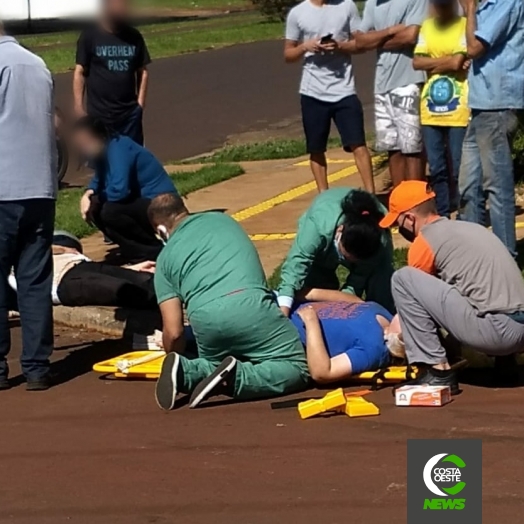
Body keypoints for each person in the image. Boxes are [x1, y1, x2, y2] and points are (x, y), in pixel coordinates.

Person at [149, 193, 309, 411]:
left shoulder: (164, 260)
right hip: (252, 306)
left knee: (214, 361)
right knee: (297, 366)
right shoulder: (224, 221)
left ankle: (189, 371)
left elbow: (174, 331)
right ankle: (236, 378)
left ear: (160, 230)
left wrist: (172, 353)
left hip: (207, 322)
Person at [380, 181, 524, 393]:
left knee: (403, 280)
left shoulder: (425, 241)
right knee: (479, 290)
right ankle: (506, 363)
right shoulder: (470, 228)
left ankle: (435, 371)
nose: (398, 229)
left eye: (397, 223)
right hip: (519, 328)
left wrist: (394, 334)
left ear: (410, 219)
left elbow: (416, 309)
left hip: (497, 333)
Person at [0, 25, 57, 391]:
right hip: (40, 186)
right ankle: (37, 367)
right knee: (34, 279)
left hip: (4, 186)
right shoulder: (38, 65)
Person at [284, 0, 375, 194]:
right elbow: (288, 54)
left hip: (344, 90)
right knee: (316, 148)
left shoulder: (347, 6)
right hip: (312, 92)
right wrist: (305, 46)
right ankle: (323, 196)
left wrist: (339, 46)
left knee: (358, 143)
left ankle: (371, 194)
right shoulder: (298, 13)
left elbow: (361, 44)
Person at [458, 0, 524, 258]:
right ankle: (473, 254)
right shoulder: (487, 5)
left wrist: (470, 10)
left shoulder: (506, 2)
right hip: (481, 105)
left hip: (498, 105)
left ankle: (505, 256)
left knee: (497, 185)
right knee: (467, 185)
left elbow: (474, 46)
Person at [276, 188, 395, 316]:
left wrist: (346, 302)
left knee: (381, 282)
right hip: (324, 218)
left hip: (372, 247)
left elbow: (358, 281)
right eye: (345, 255)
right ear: (340, 230)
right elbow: (296, 265)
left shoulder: (379, 242)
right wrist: (284, 310)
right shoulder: (317, 226)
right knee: (314, 281)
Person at [74, 116, 177, 263]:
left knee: (110, 210)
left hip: (162, 204)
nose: (83, 147)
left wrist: (97, 200)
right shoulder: (103, 152)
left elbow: (120, 191)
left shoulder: (119, 148)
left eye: (86, 142)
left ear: (98, 136)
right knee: (98, 206)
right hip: (143, 202)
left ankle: (150, 251)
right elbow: (99, 179)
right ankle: (132, 250)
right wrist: (88, 194)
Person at [355, 0, 428, 186]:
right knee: (392, 148)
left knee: (412, 148)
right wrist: (389, 32)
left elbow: (410, 36)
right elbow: (360, 41)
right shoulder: (373, 3)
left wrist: (376, 41)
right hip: (382, 85)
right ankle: (399, 200)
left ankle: (415, 200)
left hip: (408, 81)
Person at [413, 0, 469, 217]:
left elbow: (457, 63)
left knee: (458, 167)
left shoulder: (464, 25)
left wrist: (435, 62)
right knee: (436, 169)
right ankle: (443, 213)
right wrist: (451, 60)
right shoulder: (427, 27)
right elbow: (417, 62)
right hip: (430, 110)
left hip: (458, 109)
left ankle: (465, 213)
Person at [9, 231, 157, 310]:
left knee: (145, 279)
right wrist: (60, 248)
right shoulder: (11, 266)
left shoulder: (66, 251)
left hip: (80, 265)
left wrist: (129, 269)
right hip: (63, 282)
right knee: (128, 291)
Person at [73, 0, 150, 145]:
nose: (122, 8)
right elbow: (80, 72)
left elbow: (143, 71)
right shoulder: (90, 36)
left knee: (131, 159)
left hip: (129, 116)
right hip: (99, 116)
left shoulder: (134, 37)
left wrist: (140, 105)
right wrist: (78, 107)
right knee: (101, 162)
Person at [292, 301, 404, 384]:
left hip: (286, 332)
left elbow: (322, 372)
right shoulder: (385, 315)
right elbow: (351, 300)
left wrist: (311, 321)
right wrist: (312, 293)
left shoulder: (373, 350)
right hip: (289, 306)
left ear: (399, 339)